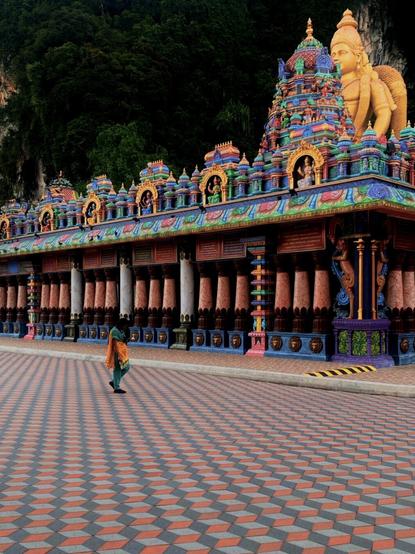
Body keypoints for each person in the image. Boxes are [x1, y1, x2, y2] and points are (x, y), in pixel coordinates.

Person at [330, 9, 406, 140]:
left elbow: (383, 113)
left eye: (342, 52)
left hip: (359, 143)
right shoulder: (327, 86)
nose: (336, 58)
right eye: (333, 54)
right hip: (329, 143)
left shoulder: (369, 83)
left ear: (358, 56)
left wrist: (371, 139)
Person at [105, 318, 131, 394]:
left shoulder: (120, 330)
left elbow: (122, 340)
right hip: (116, 353)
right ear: (122, 324)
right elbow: (117, 344)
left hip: (122, 353)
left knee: (126, 367)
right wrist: (120, 356)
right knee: (117, 369)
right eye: (125, 325)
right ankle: (116, 387)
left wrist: (126, 339)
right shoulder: (114, 331)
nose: (126, 327)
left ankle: (114, 382)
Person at [332, 238, 355, 318]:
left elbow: (344, 257)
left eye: (341, 244)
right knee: (350, 295)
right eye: (338, 245)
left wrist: (335, 258)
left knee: (351, 295)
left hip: (350, 276)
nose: (339, 246)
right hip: (347, 276)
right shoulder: (341, 251)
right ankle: (351, 314)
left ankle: (351, 314)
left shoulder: (346, 251)